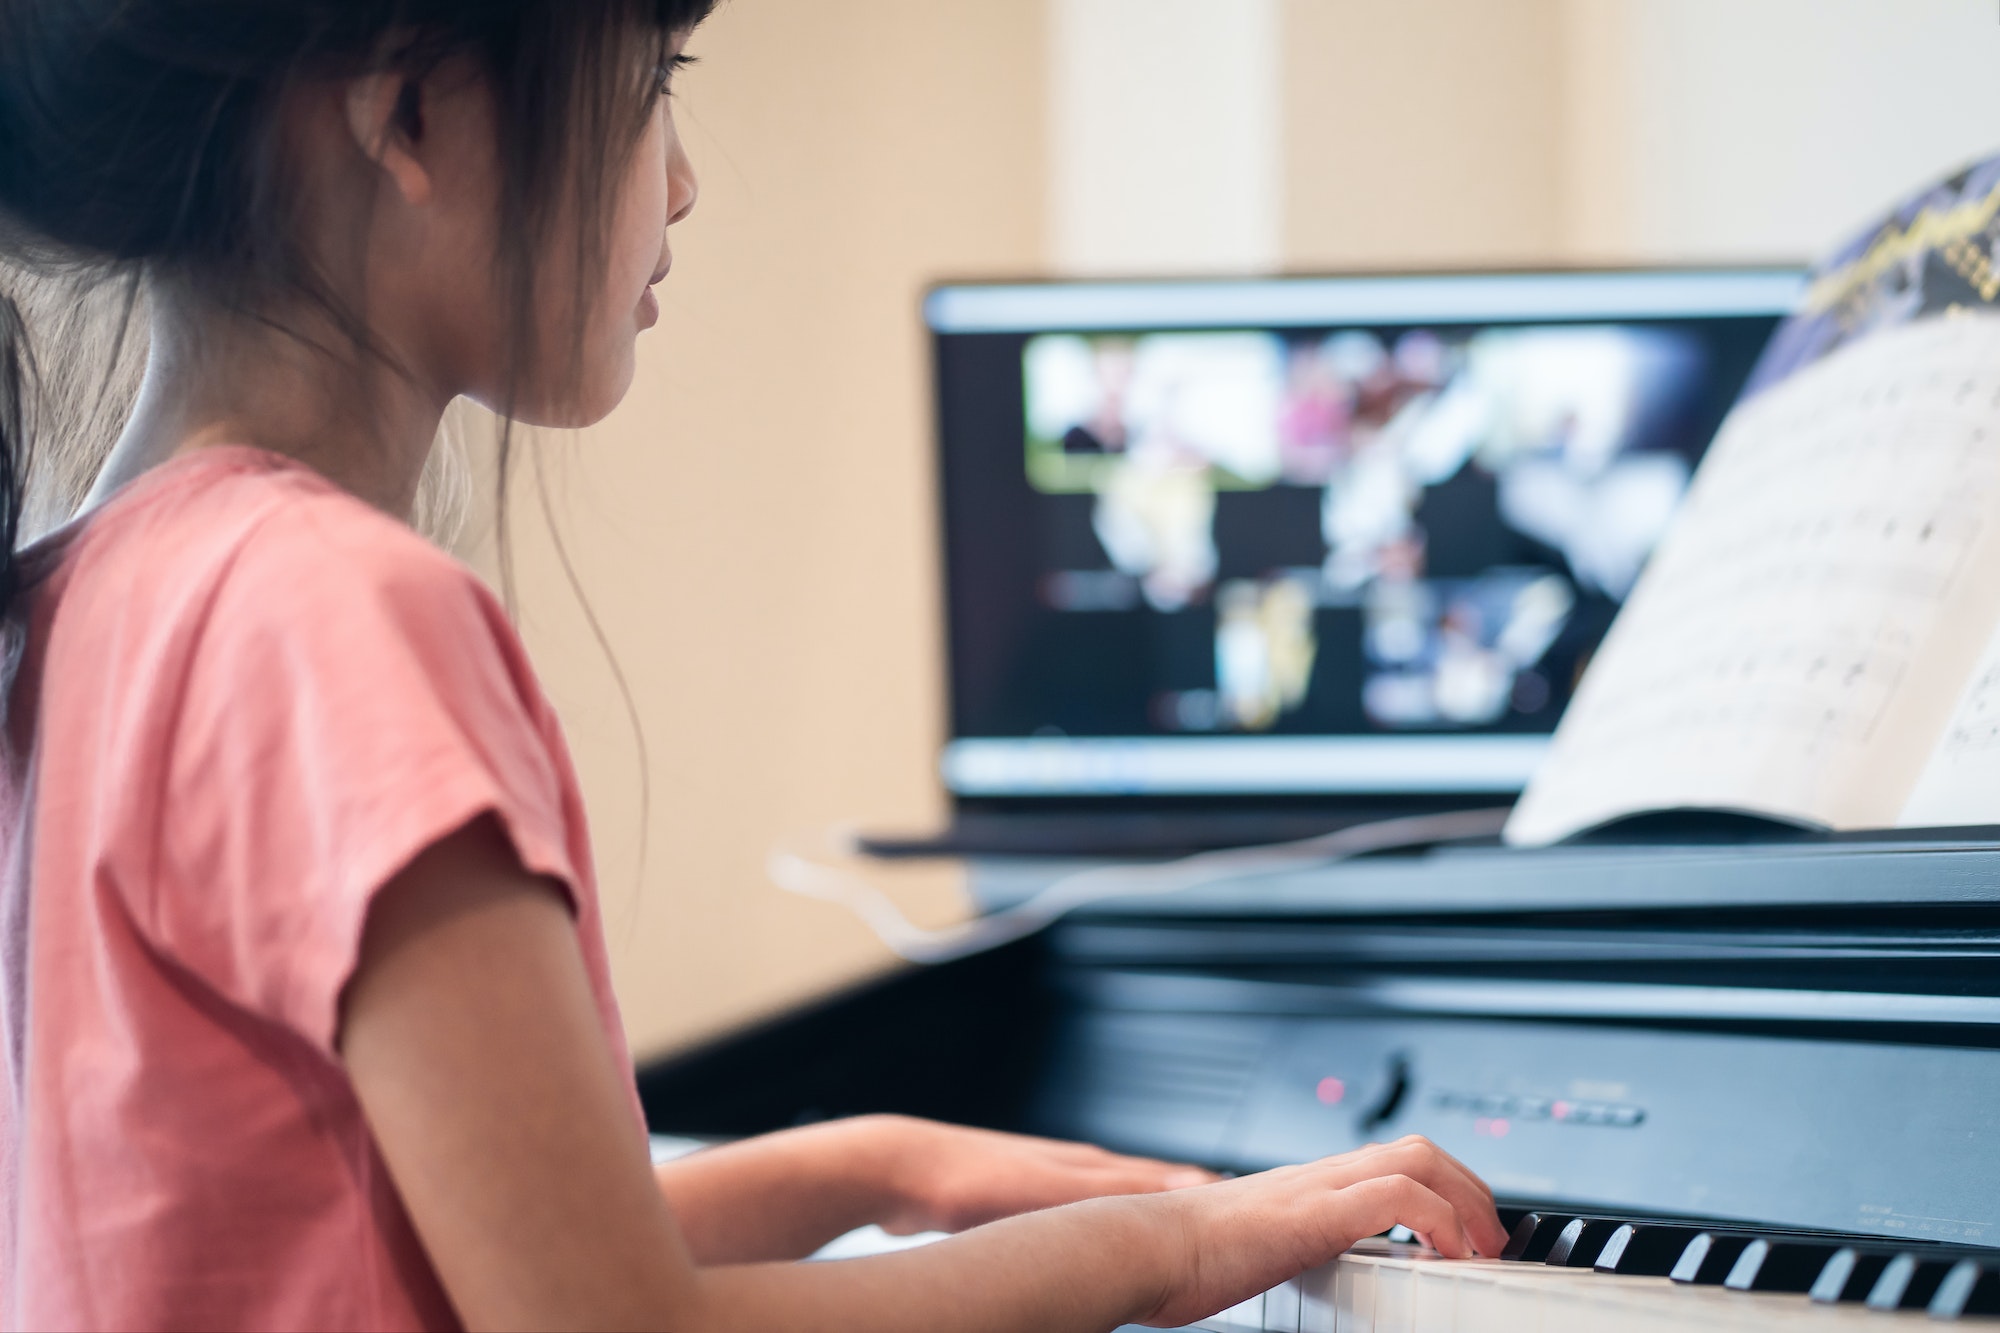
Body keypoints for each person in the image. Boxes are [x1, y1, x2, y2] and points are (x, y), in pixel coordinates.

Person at [0, 2, 1508, 1328]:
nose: (682, 178)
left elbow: (410, 1244)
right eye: (657, 73)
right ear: (407, 112)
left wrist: (876, 1161)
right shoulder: (335, 609)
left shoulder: (89, 590)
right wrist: (1169, 1244)